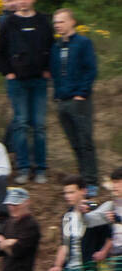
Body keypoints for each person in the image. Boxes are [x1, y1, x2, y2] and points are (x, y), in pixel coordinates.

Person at [0, 0, 53, 185]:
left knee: (40, 125)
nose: (23, 2)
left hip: (38, 81)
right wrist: (8, 72)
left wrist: (48, 69)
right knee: (20, 123)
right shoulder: (8, 23)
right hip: (17, 81)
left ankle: (41, 167)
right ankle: (23, 167)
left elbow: (51, 46)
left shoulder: (43, 20)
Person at [51, 9, 98, 196]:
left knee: (85, 140)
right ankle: (82, 179)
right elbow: (55, 72)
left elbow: (91, 69)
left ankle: (91, 181)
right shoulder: (56, 47)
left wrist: (82, 93)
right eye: (55, 22)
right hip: (62, 100)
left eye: (61, 21)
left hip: (79, 100)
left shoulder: (83, 43)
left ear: (72, 22)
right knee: (74, 142)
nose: (57, 25)